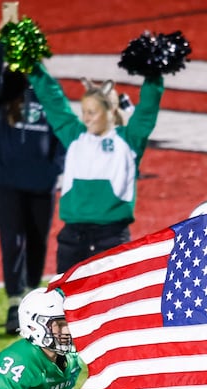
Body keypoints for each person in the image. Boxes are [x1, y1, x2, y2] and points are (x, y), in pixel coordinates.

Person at [28, 61, 163, 272]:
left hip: (111, 238)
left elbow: (147, 111)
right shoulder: (74, 135)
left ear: (110, 111)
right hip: (73, 238)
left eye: (92, 112)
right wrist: (33, 65)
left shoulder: (129, 141)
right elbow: (52, 99)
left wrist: (154, 76)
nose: (86, 118)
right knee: (65, 303)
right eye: (84, 112)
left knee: (112, 304)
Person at [0, 8, 65, 334]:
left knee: (37, 241)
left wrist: (54, 171)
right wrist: (2, 43)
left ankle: (31, 294)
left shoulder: (50, 91)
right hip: (8, 181)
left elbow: (64, 132)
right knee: (12, 241)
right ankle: (15, 302)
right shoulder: (8, 90)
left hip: (42, 183)